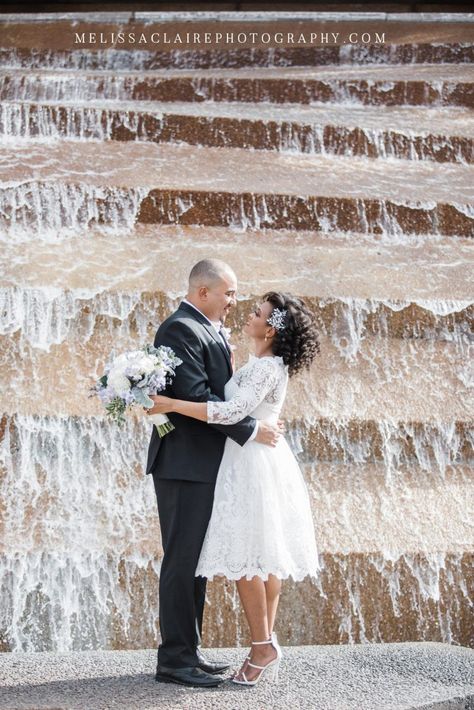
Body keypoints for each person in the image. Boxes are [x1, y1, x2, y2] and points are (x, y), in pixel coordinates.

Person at [148, 290, 321, 687]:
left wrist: (170, 404)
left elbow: (228, 410)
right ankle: (262, 644)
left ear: (272, 330)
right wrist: (255, 428)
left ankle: (262, 646)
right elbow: (244, 411)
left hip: (250, 466)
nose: (246, 312)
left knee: (250, 559)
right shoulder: (260, 362)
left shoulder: (265, 367)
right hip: (251, 462)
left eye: (257, 313)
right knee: (262, 556)